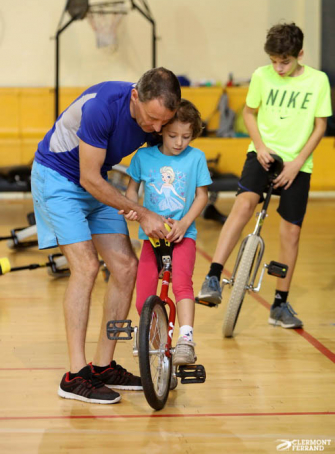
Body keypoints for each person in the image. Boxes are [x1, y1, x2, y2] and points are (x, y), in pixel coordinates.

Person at [31, 67, 181, 404]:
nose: (156, 129)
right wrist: (141, 213)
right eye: (152, 119)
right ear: (134, 97)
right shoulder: (103, 105)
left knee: (125, 267)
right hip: (59, 179)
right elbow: (88, 178)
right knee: (86, 267)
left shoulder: (155, 118)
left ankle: (102, 366)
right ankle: (74, 375)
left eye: (163, 121)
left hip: (95, 179)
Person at [197, 23, 332, 329]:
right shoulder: (261, 76)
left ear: (300, 54)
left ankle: (280, 305)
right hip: (263, 153)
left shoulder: (318, 80)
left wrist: (298, 162)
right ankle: (213, 276)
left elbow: (320, 125)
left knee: (291, 232)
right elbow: (248, 112)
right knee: (243, 205)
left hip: (298, 162)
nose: (278, 67)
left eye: (284, 61)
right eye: (274, 61)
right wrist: (258, 146)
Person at [121, 99, 212, 366]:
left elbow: (202, 196)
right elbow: (131, 190)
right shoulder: (143, 157)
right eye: (173, 135)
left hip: (183, 236)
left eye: (186, 136)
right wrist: (132, 209)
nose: (179, 142)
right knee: (144, 296)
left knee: (182, 283)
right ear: (160, 130)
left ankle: (185, 339)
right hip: (152, 238)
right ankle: (155, 341)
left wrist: (185, 223)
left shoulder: (195, 158)